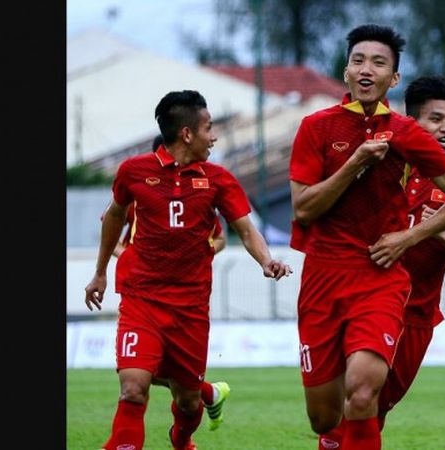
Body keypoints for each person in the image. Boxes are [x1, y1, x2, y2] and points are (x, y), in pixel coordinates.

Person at [289, 25, 445, 450]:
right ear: (346, 71)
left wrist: (408, 238)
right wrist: (355, 163)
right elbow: (303, 208)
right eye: (359, 60)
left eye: (379, 62)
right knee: (324, 419)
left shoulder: (407, 133)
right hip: (322, 279)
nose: (366, 69)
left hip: (379, 277)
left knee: (363, 389)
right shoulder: (316, 128)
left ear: (393, 78)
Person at [85, 90, 292, 450]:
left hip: (190, 308)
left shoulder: (218, 179)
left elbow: (245, 229)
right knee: (133, 388)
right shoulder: (134, 172)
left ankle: (182, 441)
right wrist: (100, 272)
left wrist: (266, 260)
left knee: (188, 400)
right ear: (186, 133)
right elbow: (114, 216)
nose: (214, 137)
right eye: (209, 128)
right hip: (141, 299)